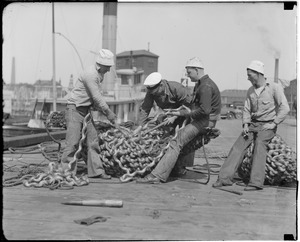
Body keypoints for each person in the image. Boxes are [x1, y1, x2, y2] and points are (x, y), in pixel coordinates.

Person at [136, 57, 221, 184]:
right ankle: (173, 168)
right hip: (193, 116)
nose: (187, 74)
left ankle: (159, 175)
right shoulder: (200, 84)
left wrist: (178, 115)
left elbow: (202, 110)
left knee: (177, 141)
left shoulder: (201, 87)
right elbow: (145, 108)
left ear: (197, 70)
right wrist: (140, 126)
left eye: (189, 72)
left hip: (203, 120)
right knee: (167, 137)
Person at [213, 60, 290, 191]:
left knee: (260, 144)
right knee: (238, 146)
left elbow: (285, 107)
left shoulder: (274, 88)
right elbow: (247, 109)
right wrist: (245, 125)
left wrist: (274, 123)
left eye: (250, 74)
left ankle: (256, 182)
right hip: (252, 124)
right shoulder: (250, 91)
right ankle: (224, 179)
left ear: (258, 74)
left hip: (267, 125)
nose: (248, 77)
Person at [60, 49, 117, 179]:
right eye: (108, 67)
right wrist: (108, 113)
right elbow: (96, 97)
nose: (108, 70)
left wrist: (101, 109)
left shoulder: (98, 74)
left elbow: (94, 98)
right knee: (73, 143)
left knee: (93, 141)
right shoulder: (91, 74)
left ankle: (96, 171)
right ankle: (66, 173)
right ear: (101, 64)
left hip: (85, 111)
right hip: (75, 110)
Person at [134, 72, 194, 175]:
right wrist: (140, 127)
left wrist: (175, 116)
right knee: (166, 139)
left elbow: (189, 107)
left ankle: (182, 167)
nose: (153, 94)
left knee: (184, 139)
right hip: (168, 114)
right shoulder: (151, 92)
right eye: (151, 92)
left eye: (155, 92)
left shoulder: (177, 89)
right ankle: (167, 165)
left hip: (185, 114)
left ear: (161, 85)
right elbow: (145, 108)